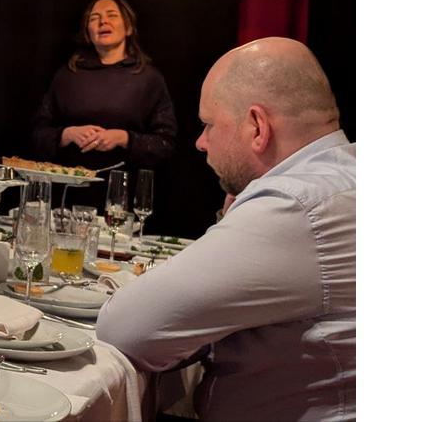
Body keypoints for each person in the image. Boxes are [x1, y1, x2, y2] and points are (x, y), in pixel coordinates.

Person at [96, 37, 356, 421]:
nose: (200, 142)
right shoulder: (344, 178)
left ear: (257, 127)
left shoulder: (296, 205)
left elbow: (124, 328)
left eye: (209, 124)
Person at [32, 0, 177, 187]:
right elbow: (37, 135)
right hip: (69, 190)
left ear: (128, 28)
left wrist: (125, 139)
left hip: (124, 191)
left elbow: (166, 145)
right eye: (95, 18)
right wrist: (66, 134)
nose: (103, 22)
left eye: (112, 15)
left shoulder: (150, 79)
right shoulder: (67, 75)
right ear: (88, 31)